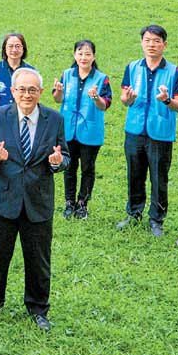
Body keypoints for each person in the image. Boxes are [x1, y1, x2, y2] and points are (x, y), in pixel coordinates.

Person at [0, 68, 68, 332]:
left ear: (41, 92)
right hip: (4, 199)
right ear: (13, 91)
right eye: (22, 89)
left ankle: (38, 308)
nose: (26, 95)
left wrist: (57, 162)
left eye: (32, 90)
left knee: (39, 259)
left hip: (38, 201)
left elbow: (65, 156)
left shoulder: (54, 119)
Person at [117, 24, 178, 237]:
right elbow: (123, 98)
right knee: (134, 174)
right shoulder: (132, 67)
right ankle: (134, 212)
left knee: (159, 178)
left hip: (160, 132)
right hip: (135, 130)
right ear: (142, 43)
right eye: (147, 40)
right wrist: (128, 99)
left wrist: (167, 100)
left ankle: (156, 219)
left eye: (156, 41)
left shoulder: (175, 72)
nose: (151, 45)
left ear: (164, 44)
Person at [51, 40, 112, 220]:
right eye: (80, 53)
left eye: (87, 54)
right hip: (68, 130)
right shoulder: (67, 75)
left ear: (93, 56)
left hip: (90, 131)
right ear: (74, 55)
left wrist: (96, 98)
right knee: (69, 167)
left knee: (87, 168)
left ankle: (83, 203)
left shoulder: (102, 78)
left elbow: (104, 105)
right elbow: (57, 99)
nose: (83, 57)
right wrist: (58, 91)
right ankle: (69, 202)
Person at [0, 32, 34, 126]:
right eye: (10, 46)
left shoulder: (30, 71)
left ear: (23, 49)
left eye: (18, 46)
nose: (14, 50)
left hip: (22, 120)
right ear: (5, 49)